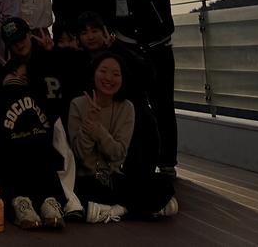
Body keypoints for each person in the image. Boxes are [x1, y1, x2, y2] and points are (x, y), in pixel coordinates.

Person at [97, 0, 177, 177]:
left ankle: (167, 163)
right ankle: (135, 159)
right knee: (131, 105)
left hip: (158, 46)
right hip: (127, 47)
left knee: (163, 105)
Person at [68, 53, 177, 222]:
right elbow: (80, 154)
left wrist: (98, 131)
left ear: (122, 78)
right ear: (93, 73)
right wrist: (89, 123)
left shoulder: (126, 107)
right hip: (86, 179)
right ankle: (141, 207)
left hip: (113, 178)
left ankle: (118, 209)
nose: (108, 78)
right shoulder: (77, 104)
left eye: (116, 74)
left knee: (164, 184)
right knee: (77, 192)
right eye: (103, 71)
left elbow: (118, 155)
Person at [0, 56, 65, 229]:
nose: (16, 79)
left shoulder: (42, 100)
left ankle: (47, 202)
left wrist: (69, 196)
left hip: (41, 165)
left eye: (23, 77)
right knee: (10, 150)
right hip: (10, 166)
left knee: (40, 148)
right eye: (12, 74)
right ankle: (21, 203)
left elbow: (61, 144)